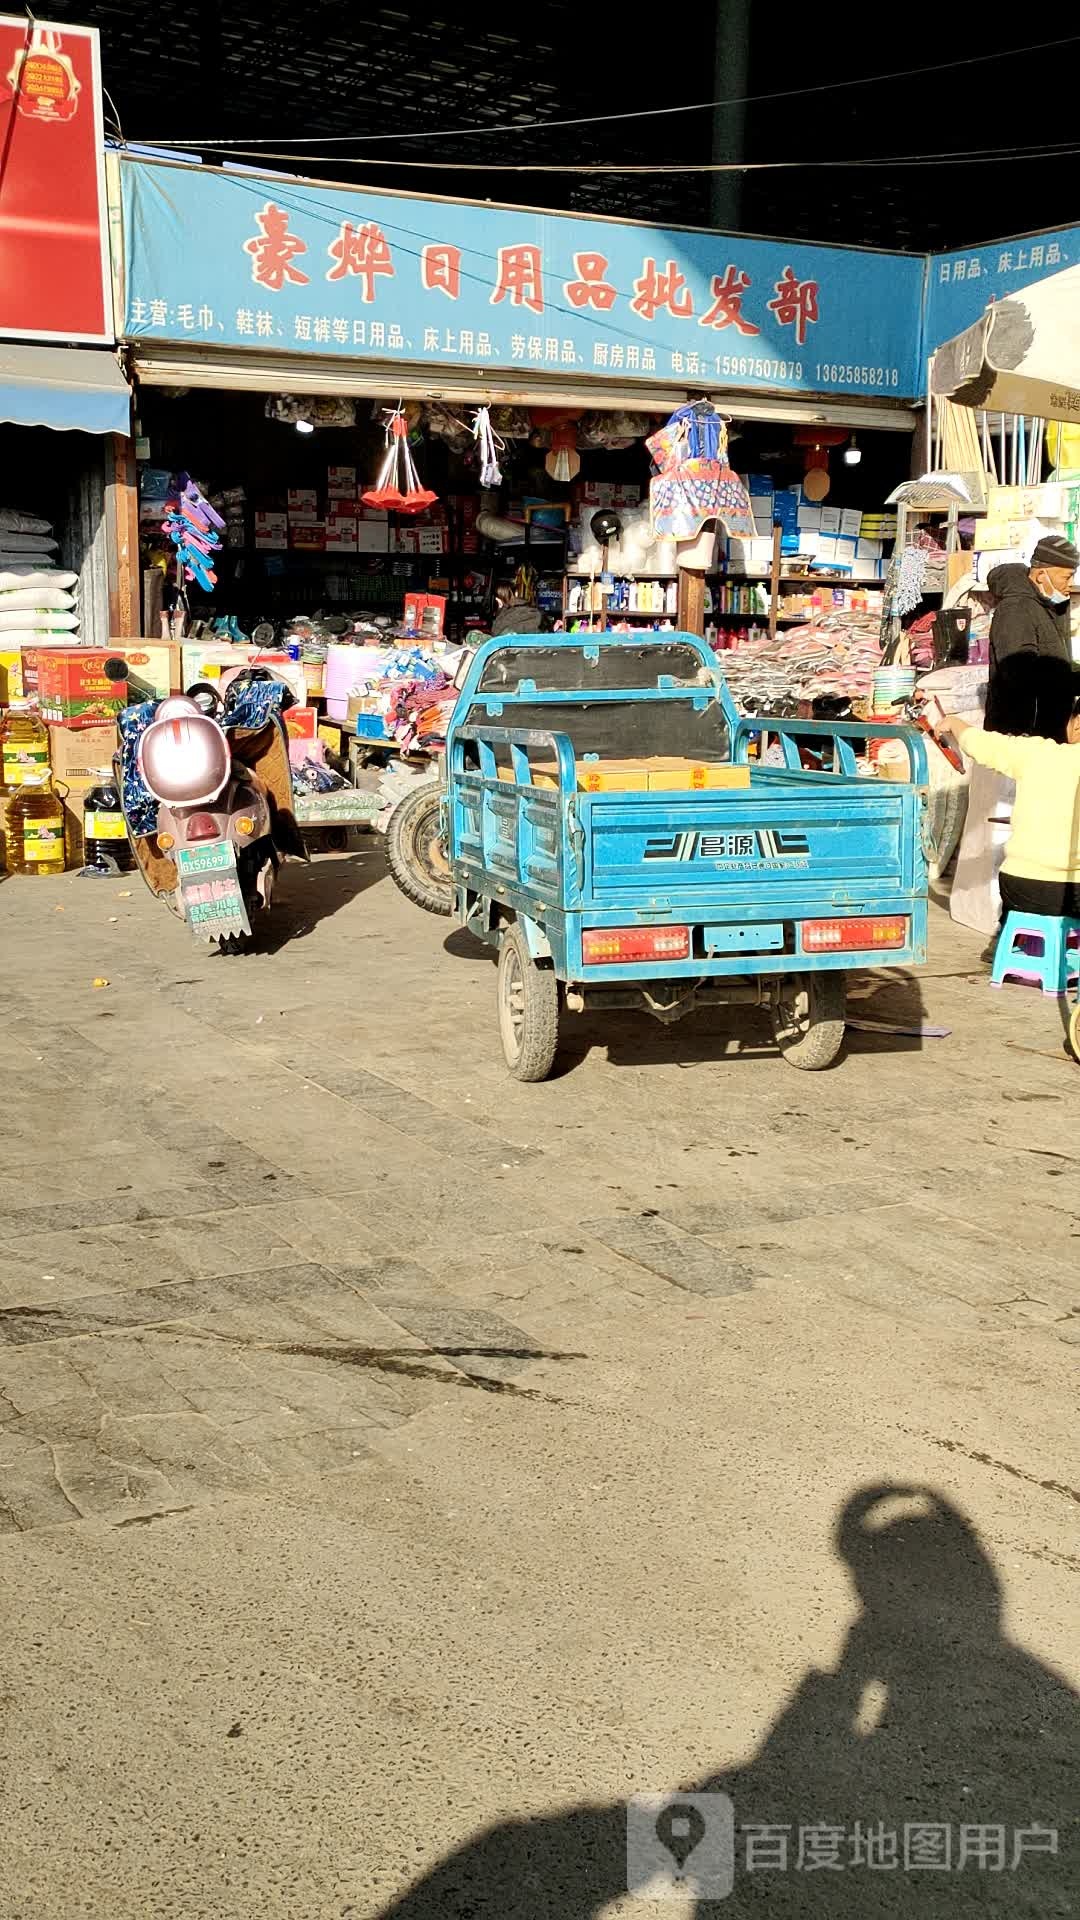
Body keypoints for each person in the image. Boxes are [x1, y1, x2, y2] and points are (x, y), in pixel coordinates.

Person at [926, 691, 1080, 918]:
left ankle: (1012, 947)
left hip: (1023, 887)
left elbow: (980, 743)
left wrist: (954, 723)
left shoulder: (1036, 753)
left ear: (1077, 723)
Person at [983, 535, 1079, 741]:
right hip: (1022, 735)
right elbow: (1021, 675)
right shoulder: (1015, 610)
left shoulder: (1049, 606)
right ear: (1041, 575)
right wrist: (1075, 681)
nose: (1070, 584)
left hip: (1045, 734)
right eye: (1066, 577)